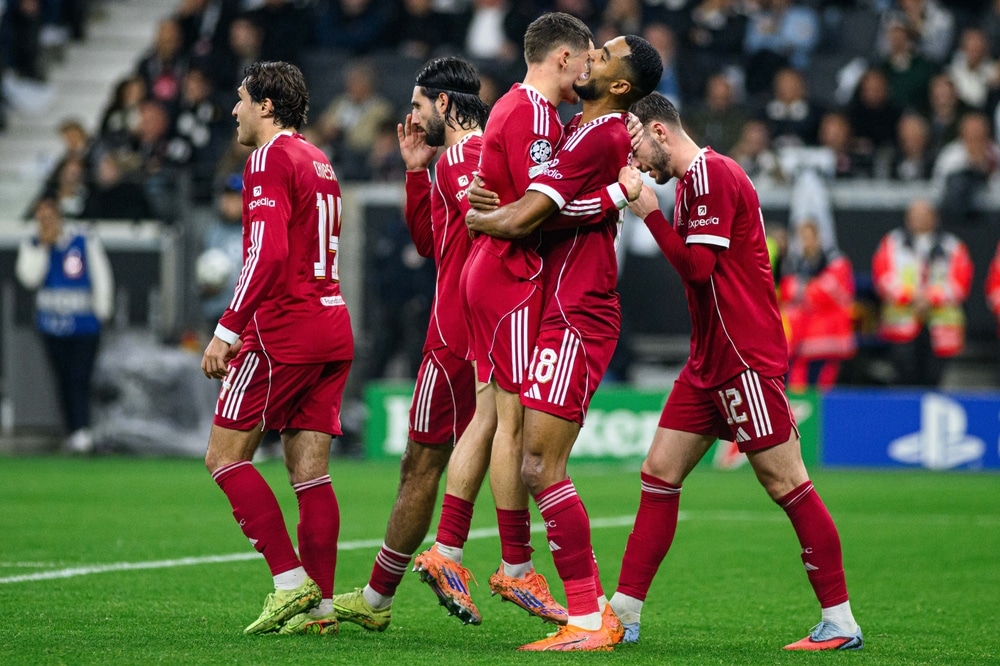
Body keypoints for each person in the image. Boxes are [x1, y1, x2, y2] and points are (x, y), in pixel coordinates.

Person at [606, 92, 864, 651]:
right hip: (709, 361)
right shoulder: (702, 180)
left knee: (786, 482)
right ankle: (623, 614)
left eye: (638, 146)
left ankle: (840, 621)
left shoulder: (711, 175)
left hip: (743, 357)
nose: (638, 160)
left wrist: (649, 211)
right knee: (658, 473)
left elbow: (699, 270)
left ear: (660, 130)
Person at [464, 34, 663, 651]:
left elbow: (534, 217)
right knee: (532, 460)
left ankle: (587, 616)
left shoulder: (603, 136)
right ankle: (588, 610)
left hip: (581, 312)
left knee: (539, 463)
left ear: (621, 84)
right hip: (560, 310)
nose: (588, 59)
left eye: (601, 57)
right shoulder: (582, 127)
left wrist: (482, 219)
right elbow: (547, 204)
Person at [411, 12, 593, 628]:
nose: (589, 72)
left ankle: (451, 549)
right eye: (585, 59)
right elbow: (539, 208)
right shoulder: (535, 116)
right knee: (509, 426)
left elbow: (509, 196)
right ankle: (513, 566)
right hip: (510, 277)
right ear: (562, 57)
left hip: (485, 277)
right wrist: (612, 196)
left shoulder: (514, 109)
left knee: (490, 416)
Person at [330, 55, 503, 632]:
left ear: (445, 104)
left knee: (423, 462)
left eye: (417, 105)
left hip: (455, 335)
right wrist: (412, 171)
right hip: (474, 332)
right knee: (465, 455)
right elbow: (431, 242)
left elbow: (492, 236)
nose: (410, 117)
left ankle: (400, 587)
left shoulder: (465, 158)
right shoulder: (451, 162)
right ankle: (417, 578)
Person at [199, 60, 353, 635]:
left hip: (281, 332)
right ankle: (321, 611)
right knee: (310, 475)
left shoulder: (266, 158)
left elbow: (266, 255)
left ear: (266, 105)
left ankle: (290, 585)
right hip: (332, 326)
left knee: (224, 457)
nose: (234, 109)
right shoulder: (319, 158)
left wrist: (228, 328)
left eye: (240, 99)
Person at [15, 197, 114, 454]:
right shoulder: (34, 244)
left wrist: (102, 309)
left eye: (49, 216)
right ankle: (73, 431)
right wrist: (43, 248)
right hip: (52, 325)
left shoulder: (82, 239)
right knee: (62, 378)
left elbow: (100, 273)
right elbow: (29, 277)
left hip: (83, 324)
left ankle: (83, 430)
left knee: (80, 377)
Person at [871, 198, 973, 387]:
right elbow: (883, 277)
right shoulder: (892, 242)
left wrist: (930, 299)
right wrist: (911, 298)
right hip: (902, 326)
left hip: (940, 328)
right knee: (903, 378)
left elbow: (960, 283)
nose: (917, 220)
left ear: (934, 218)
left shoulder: (952, 246)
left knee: (934, 379)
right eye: (913, 216)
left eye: (923, 216)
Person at [778, 219, 857, 391]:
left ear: (818, 237)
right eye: (802, 237)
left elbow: (828, 291)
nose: (805, 242)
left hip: (831, 338)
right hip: (802, 340)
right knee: (798, 386)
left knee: (825, 389)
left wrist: (804, 289)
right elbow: (786, 290)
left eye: (809, 237)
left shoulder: (835, 260)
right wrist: (810, 288)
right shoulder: (795, 262)